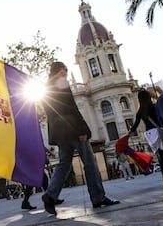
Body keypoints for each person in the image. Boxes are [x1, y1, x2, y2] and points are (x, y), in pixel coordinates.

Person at [41, 61, 119, 215]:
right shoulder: (61, 82)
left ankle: (50, 195)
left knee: (63, 165)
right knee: (90, 163)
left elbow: (51, 115)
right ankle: (98, 197)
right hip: (74, 131)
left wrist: (55, 136)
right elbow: (71, 108)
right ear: (60, 70)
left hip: (61, 134)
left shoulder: (45, 88)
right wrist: (82, 130)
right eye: (66, 69)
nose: (67, 72)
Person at [129, 90, 163, 185]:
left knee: (160, 155)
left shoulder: (140, 111)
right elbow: (162, 118)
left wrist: (129, 134)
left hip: (150, 134)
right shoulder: (154, 107)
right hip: (159, 131)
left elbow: (135, 125)